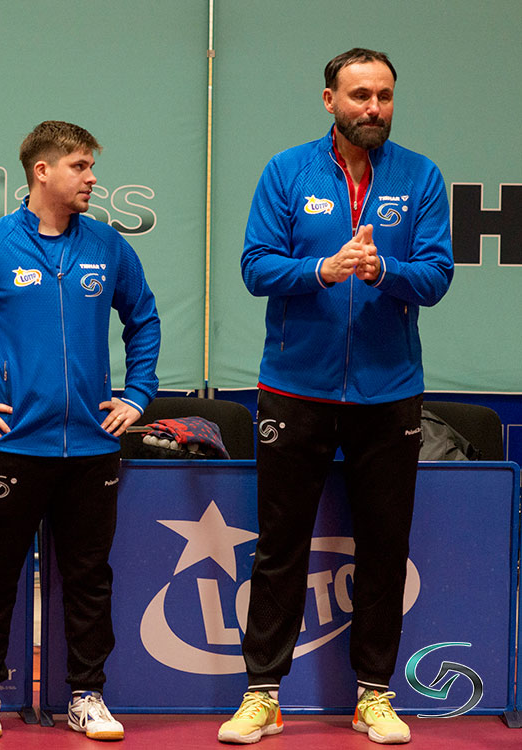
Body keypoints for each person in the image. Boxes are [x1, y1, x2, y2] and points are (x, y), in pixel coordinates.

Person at [217, 48, 453, 745]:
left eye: (383, 95)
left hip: (389, 393)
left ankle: (374, 695)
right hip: (295, 389)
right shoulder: (287, 171)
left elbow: (436, 276)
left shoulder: (420, 176)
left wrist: (385, 270)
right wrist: (322, 269)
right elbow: (256, 266)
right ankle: (262, 695)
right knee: (279, 547)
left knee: (383, 547)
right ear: (329, 101)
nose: (373, 108)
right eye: (359, 95)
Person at [0, 121, 161, 741]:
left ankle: (86, 696)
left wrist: (138, 394)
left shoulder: (108, 246)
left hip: (92, 446)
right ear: (42, 171)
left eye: (91, 166)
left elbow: (144, 318)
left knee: (89, 577)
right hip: (12, 443)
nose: (92, 177)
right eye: (80, 166)